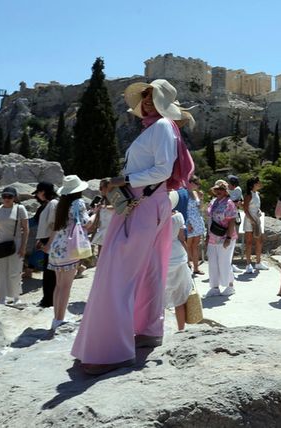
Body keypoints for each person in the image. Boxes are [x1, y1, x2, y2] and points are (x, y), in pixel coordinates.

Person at [71, 79, 194, 375]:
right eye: (145, 97)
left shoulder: (162, 127)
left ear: (164, 102)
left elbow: (163, 170)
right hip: (148, 203)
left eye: (153, 97)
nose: (147, 101)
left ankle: (111, 351)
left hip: (145, 204)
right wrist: (119, 183)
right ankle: (146, 332)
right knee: (149, 269)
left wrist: (122, 181)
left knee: (117, 271)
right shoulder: (156, 128)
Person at [47, 175, 90, 332]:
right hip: (70, 249)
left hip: (57, 248)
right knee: (66, 287)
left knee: (59, 286)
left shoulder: (60, 204)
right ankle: (60, 319)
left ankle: (56, 318)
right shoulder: (78, 203)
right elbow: (87, 223)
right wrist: (96, 213)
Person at [0, 186, 29, 305]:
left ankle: (16, 297)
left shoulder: (20, 209)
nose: (7, 199)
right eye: (4, 196)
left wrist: (23, 247)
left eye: (9, 196)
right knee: (1, 270)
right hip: (1, 243)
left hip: (15, 242)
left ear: (14, 197)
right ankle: (2, 297)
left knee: (15, 270)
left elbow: (26, 230)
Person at [205, 179, 239, 297]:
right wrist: (207, 236)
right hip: (213, 237)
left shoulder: (229, 203)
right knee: (213, 263)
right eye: (216, 189)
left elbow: (231, 221)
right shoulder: (213, 202)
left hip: (225, 236)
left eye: (221, 189)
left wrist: (228, 238)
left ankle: (230, 286)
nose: (218, 191)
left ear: (225, 191)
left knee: (224, 262)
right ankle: (214, 287)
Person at [164, 191, 192, 331]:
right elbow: (182, 239)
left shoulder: (156, 218)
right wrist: (189, 258)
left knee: (160, 298)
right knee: (179, 298)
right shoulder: (178, 216)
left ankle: (158, 331)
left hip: (163, 257)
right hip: (179, 256)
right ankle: (181, 329)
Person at [32, 181, 59, 308]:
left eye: (38, 192)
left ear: (42, 192)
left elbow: (54, 225)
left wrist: (48, 243)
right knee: (48, 273)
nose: (37, 195)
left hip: (50, 241)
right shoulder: (48, 204)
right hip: (47, 240)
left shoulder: (52, 204)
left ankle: (49, 301)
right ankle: (47, 299)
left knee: (50, 274)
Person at [242, 176, 267, 274]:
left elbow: (256, 207)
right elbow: (245, 209)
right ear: (253, 184)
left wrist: (259, 211)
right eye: (258, 182)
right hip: (249, 220)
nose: (260, 183)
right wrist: (252, 220)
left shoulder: (257, 194)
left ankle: (258, 262)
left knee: (259, 241)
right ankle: (248, 264)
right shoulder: (248, 195)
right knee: (248, 242)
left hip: (256, 219)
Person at [184, 176, 207, 276]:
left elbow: (201, 208)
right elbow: (183, 209)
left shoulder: (195, 193)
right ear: (190, 182)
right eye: (196, 183)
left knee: (195, 246)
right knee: (187, 245)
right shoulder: (184, 193)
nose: (198, 185)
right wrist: (187, 223)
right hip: (189, 221)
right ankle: (188, 266)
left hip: (197, 220)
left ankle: (196, 268)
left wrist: (201, 198)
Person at [88, 179, 114, 258]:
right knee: (101, 254)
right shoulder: (103, 200)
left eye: (101, 187)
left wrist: (104, 207)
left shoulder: (115, 198)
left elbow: (117, 208)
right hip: (102, 230)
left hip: (111, 231)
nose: (99, 189)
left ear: (108, 187)